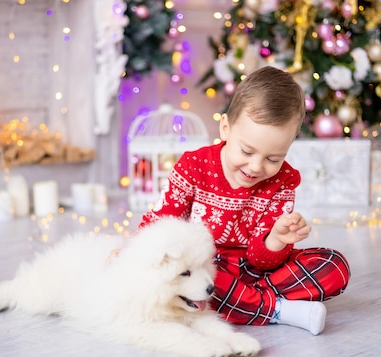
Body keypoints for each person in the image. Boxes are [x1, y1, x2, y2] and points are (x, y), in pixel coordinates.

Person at [139, 66, 350, 335]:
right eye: (247, 151)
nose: (255, 166)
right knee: (195, 278)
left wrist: (276, 239)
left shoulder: (283, 181)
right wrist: (136, 252)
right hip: (207, 267)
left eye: (273, 158)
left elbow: (263, 261)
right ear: (225, 128)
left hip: (254, 271)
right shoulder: (193, 166)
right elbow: (162, 220)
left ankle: (237, 303)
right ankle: (277, 310)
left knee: (334, 267)